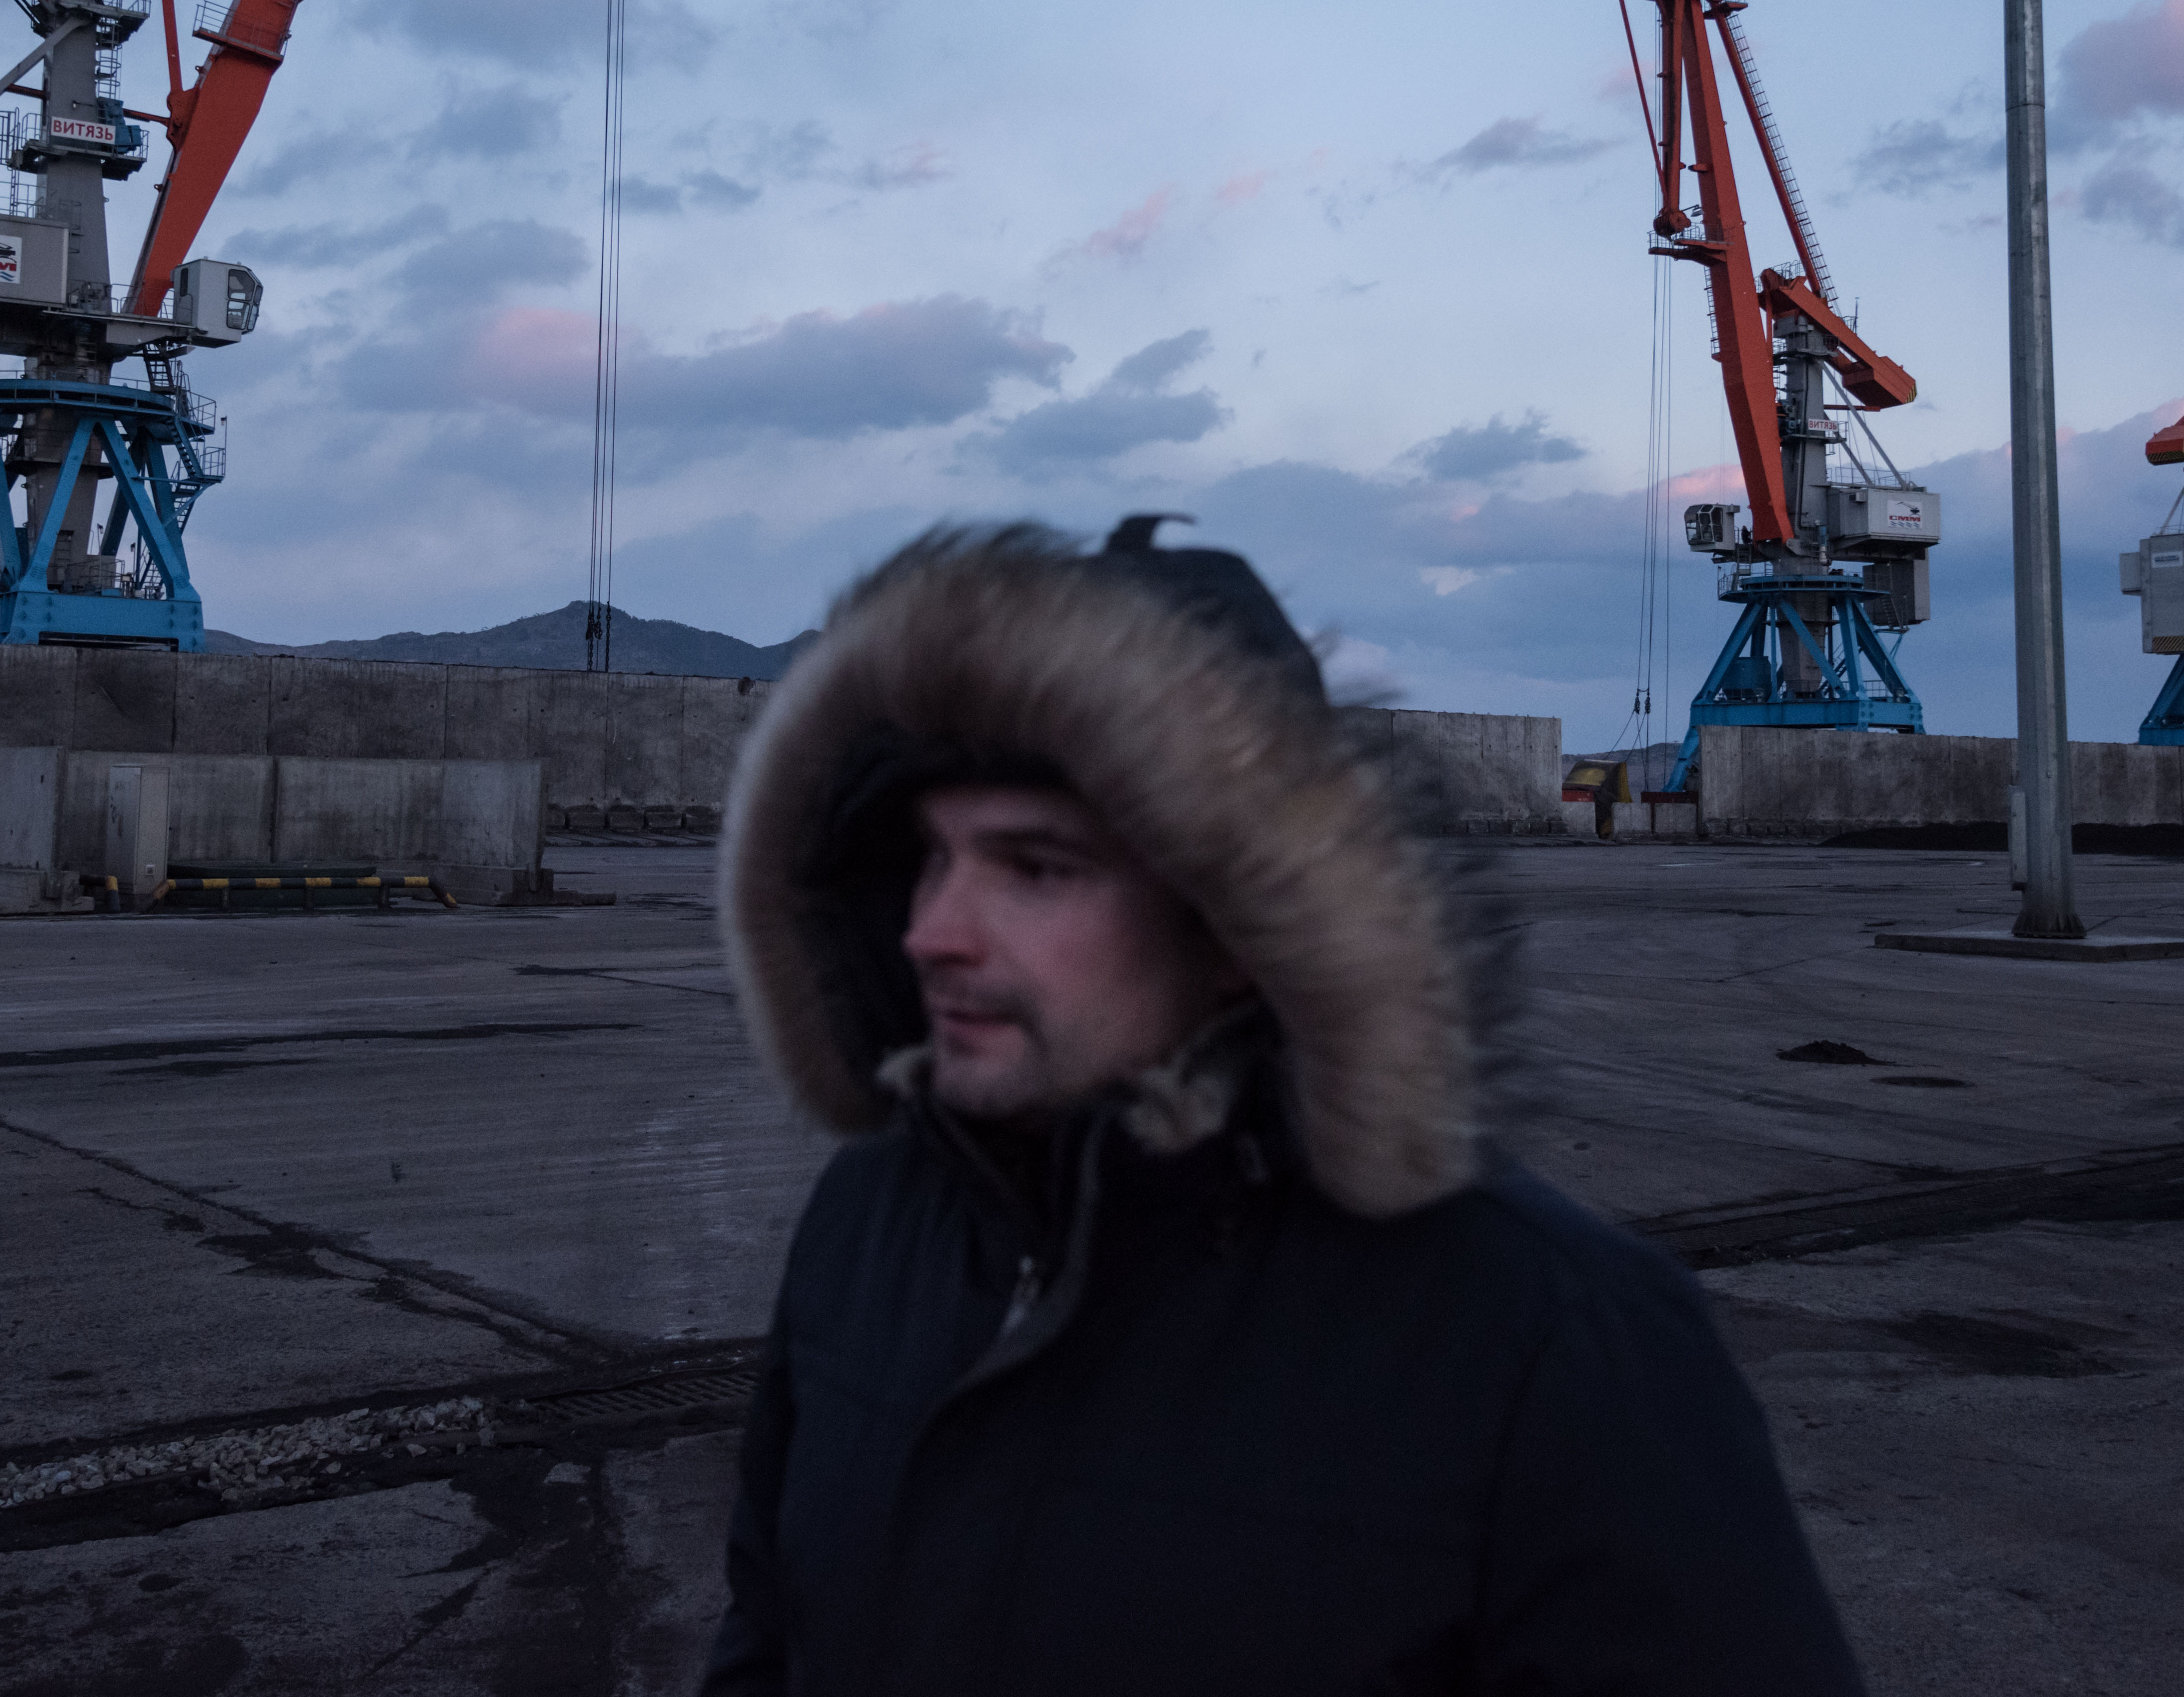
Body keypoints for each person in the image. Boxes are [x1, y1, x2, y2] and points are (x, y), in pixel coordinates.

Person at [701, 516, 1863, 1695]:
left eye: (1036, 868)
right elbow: (765, 1641)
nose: (930, 934)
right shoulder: (867, 1222)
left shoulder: (1547, 1344)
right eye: (931, 859)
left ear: (1246, 928)